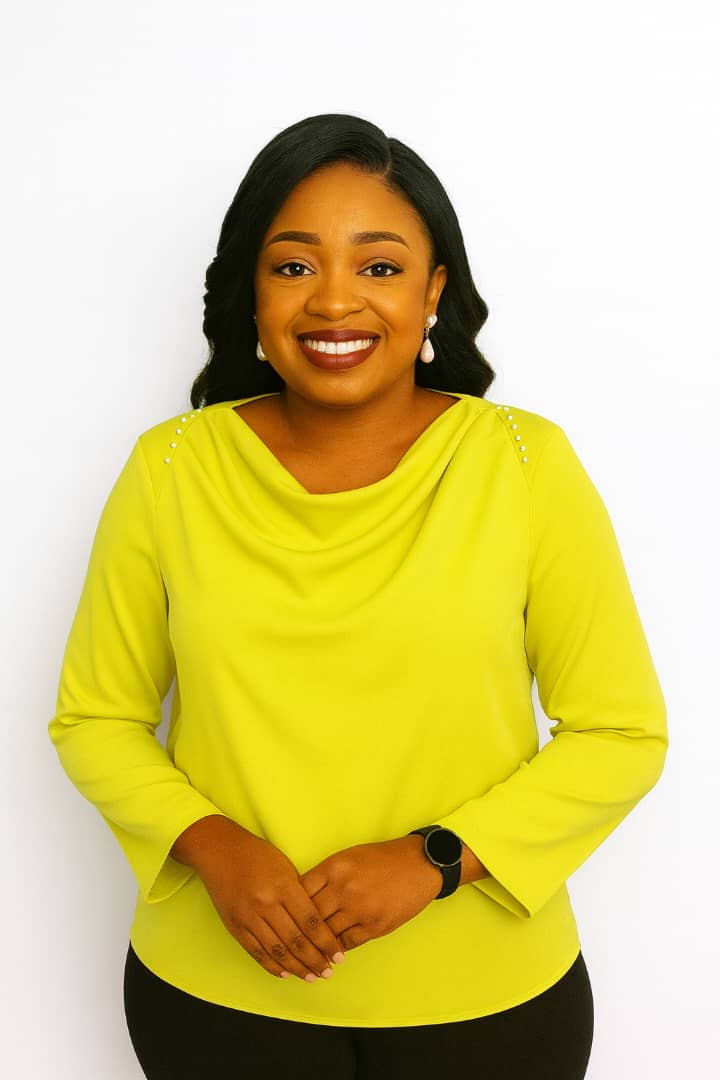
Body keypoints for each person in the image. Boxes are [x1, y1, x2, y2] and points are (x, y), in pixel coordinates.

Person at [48, 113, 667, 1079]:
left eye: (378, 266)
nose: (334, 300)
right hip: (216, 996)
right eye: (293, 266)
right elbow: (96, 718)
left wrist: (436, 859)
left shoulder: (523, 465)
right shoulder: (169, 469)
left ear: (434, 292)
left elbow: (619, 733)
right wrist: (213, 846)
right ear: (252, 292)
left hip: (488, 999)